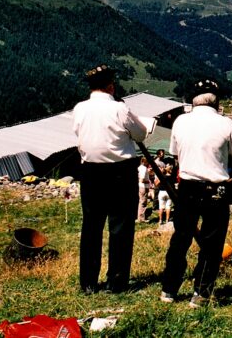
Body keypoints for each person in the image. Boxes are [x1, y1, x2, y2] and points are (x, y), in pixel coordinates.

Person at [160, 81, 232, 307]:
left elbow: (175, 152)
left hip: (187, 187)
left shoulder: (180, 121)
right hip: (215, 188)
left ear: (193, 101)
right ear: (216, 101)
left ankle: (169, 289)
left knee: (180, 238)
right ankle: (201, 292)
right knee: (212, 243)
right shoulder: (226, 123)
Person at [72, 65, 147, 294]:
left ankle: (88, 283)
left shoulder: (79, 109)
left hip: (91, 172)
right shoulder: (119, 109)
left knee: (91, 227)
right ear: (110, 86)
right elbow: (141, 134)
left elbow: (77, 133)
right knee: (121, 227)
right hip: (120, 172)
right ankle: (116, 282)